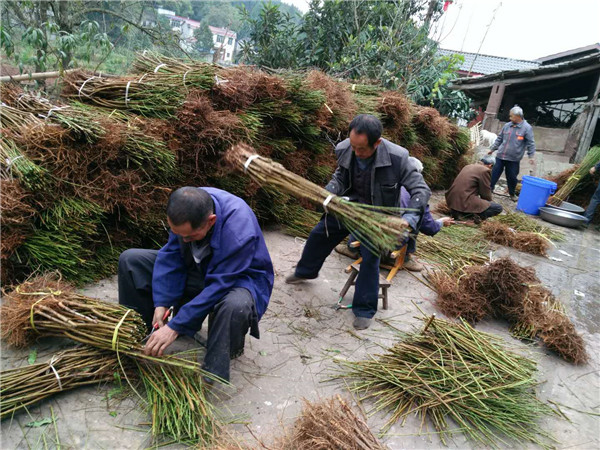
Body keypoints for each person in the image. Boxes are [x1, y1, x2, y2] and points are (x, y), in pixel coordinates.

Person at [285, 114, 431, 330]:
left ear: (377, 143)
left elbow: (421, 190)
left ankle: (364, 309)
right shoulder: (347, 148)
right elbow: (340, 177)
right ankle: (305, 271)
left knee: (370, 258)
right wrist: (328, 194)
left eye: (361, 149)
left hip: (375, 218)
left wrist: (408, 220)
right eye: (353, 146)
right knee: (319, 234)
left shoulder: (398, 158)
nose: (356, 152)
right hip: (348, 207)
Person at [118, 187, 274, 383]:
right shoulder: (186, 207)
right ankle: (138, 334)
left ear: (211, 221)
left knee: (235, 305)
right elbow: (172, 256)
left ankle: (212, 371)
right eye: (178, 234)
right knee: (131, 260)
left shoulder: (238, 230)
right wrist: (162, 302)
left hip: (237, 278)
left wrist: (175, 326)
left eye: (189, 236)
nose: (184, 240)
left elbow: (219, 285)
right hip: (201, 267)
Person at [488, 106, 536, 201]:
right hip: (501, 156)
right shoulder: (507, 126)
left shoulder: (526, 128)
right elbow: (499, 139)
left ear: (518, 116)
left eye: (511, 116)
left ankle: (512, 194)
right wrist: (492, 149)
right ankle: (489, 190)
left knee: (512, 177)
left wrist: (531, 156)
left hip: (514, 159)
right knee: (494, 174)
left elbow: (531, 143)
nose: (510, 118)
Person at [445, 155, 503, 222]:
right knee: (497, 208)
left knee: (479, 202)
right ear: (490, 165)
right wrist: (488, 202)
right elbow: (485, 192)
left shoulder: (468, 166)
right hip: (464, 200)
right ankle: (472, 218)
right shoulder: (485, 170)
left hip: (451, 200)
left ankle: (460, 213)